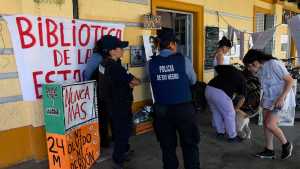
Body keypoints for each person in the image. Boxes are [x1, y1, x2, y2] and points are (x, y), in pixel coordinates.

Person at [147, 28, 200, 169]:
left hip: (162, 111)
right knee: (189, 143)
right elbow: (193, 80)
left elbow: (152, 80)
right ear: (171, 44)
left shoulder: (151, 63)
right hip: (184, 109)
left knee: (167, 146)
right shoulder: (183, 60)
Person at [97, 35, 141, 169]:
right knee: (123, 131)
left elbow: (110, 83)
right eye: (120, 47)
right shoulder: (115, 67)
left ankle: (123, 152)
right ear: (111, 51)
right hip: (120, 104)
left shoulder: (103, 64)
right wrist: (131, 83)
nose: (123, 50)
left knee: (118, 131)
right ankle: (118, 158)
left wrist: (127, 84)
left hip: (111, 104)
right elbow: (135, 81)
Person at [243, 49, 294, 160]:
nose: (248, 69)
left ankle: (286, 144)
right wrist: (262, 100)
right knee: (266, 125)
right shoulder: (260, 70)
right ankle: (269, 150)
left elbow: (290, 81)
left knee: (270, 124)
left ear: (255, 62)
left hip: (280, 98)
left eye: (249, 66)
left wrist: (281, 98)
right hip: (268, 98)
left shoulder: (274, 64)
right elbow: (265, 86)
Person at [205, 65, 246, 142]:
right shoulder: (243, 80)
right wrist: (236, 109)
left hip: (208, 89)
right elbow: (242, 98)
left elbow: (217, 67)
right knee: (230, 114)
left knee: (216, 112)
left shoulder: (231, 70)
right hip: (220, 93)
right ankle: (233, 137)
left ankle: (220, 132)